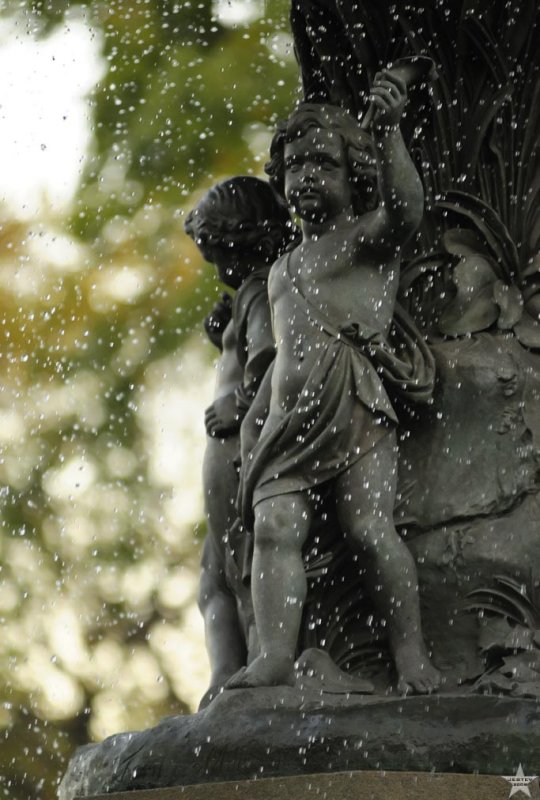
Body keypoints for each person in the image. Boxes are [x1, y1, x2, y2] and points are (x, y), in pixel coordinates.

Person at [231, 71, 441, 695]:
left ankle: (412, 660)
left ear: (356, 173)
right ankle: (272, 656)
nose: (305, 178)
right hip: (284, 427)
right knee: (273, 531)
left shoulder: (366, 239)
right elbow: (279, 359)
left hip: (353, 406)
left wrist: (390, 132)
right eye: (294, 166)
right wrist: (253, 425)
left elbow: (409, 211)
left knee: (369, 530)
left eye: (322, 163)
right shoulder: (280, 271)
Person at [184, 176, 293, 705]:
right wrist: (222, 336)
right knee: (214, 575)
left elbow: (273, 361)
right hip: (225, 449)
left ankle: (248, 671)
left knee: (238, 567)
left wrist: (243, 402)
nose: (219, 273)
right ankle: (223, 677)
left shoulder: (261, 290)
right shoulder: (250, 293)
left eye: (221, 257)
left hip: (237, 448)